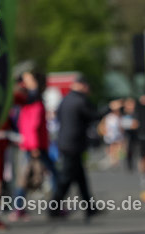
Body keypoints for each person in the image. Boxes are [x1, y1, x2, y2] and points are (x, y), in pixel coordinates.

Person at [50, 75, 98, 219]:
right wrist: (109, 108)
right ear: (83, 86)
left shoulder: (65, 100)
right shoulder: (80, 101)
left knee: (80, 177)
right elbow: (93, 116)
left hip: (65, 142)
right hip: (73, 144)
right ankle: (53, 207)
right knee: (66, 178)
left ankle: (89, 207)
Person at [11, 71, 56, 219]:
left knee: (26, 176)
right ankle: (56, 204)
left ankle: (19, 208)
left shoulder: (31, 98)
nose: (24, 81)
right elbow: (32, 125)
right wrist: (35, 146)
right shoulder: (32, 100)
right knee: (51, 175)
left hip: (32, 144)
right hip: (35, 145)